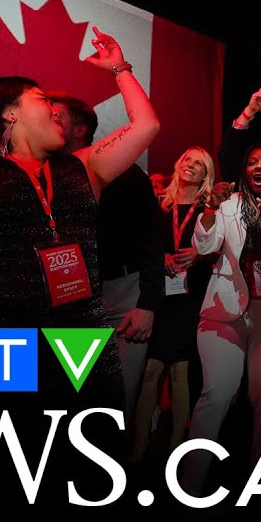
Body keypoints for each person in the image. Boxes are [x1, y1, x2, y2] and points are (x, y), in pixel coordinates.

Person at [0, 29, 158, 522]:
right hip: (8, 336)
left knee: (91, 460)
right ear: (7, 112)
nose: (55, 111)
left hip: (83, 336)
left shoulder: (80, 168)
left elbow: (146, 125)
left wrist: (121, 70)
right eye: (42, 100)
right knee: (11, 466)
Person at [182, 144, 261, 492]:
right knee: (217, 393)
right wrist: (212, 209)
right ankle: (191, 480)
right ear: (245, 170)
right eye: (251, 162)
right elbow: (203, 247)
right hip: (224, 310)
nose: (258, 167)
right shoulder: (228, 204)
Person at [51, 90, 164, 417]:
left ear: (80, 129)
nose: (48, 117)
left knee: (116, 400)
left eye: (56, 115)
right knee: (72, 397)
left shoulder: (124, 172)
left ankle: (109, 465)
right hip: (67, 302)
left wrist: (147, 304)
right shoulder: (31, 173)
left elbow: (152, 237)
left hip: (122, 295)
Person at [129, 146, 216, 464]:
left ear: (207, 174)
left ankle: (177, 444)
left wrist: (201, 255)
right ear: (178, 164)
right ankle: (138, 443)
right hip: (160, 297)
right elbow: (145, 245)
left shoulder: (209, 207)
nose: (191, 165)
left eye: (200, 163)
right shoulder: (160, 204)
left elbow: (223, 247)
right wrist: (160, 256)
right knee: (150, 371)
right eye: (188, 159)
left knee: (180, 371)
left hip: (191, 297)